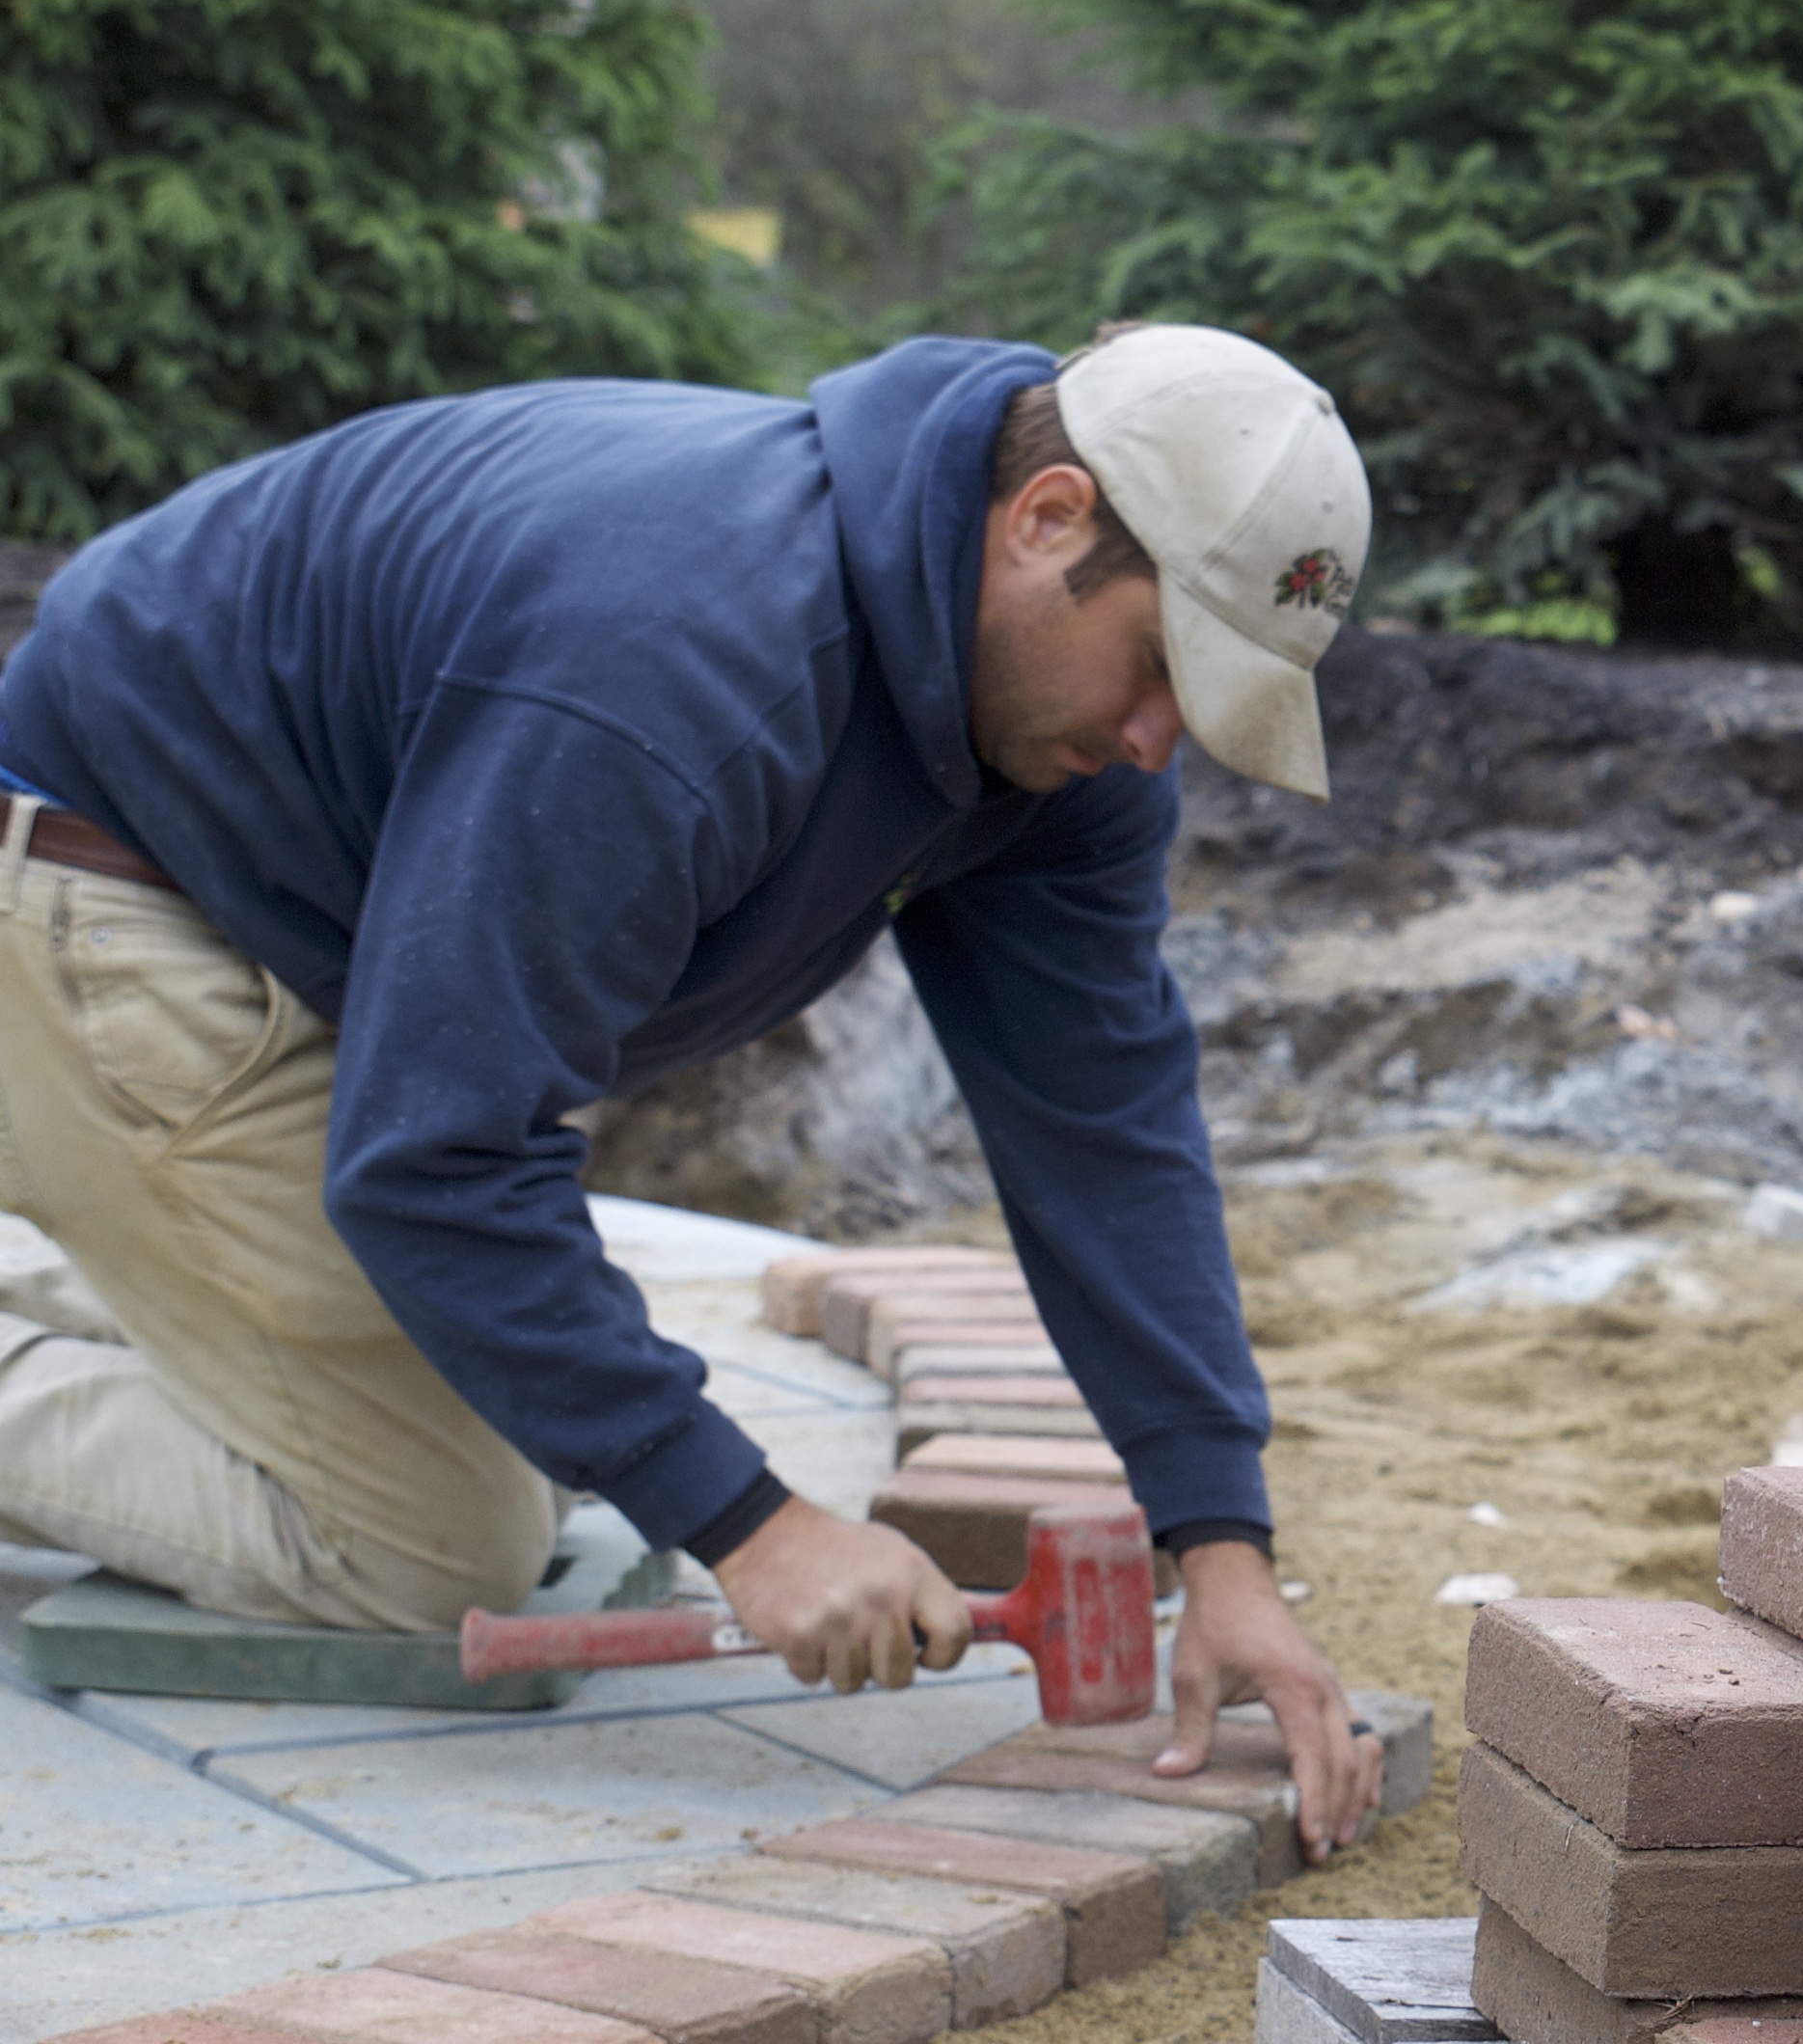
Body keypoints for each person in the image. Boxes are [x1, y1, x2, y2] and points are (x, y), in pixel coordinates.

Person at [0, 324, 1385, 1859]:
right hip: (118, 887)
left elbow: (1102, 1119)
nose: (1156, 740)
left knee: (538, 1399)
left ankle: (128, 1235)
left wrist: (1224, 1541)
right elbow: (436, 1162)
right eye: (1163, 666)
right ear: (1048, 517)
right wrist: (753, 1527)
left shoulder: (1050, 736)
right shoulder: (681, 659)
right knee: (431, 1541)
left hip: (324, 942)